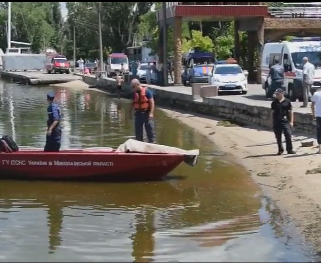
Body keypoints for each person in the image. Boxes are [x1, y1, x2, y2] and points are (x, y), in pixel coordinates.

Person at [130, 79, 156, 143]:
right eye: (132, 87)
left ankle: (152, 143)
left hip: (146, 113)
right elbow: (132, 104)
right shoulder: (134, 93)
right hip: (138, 113)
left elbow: (152, 103)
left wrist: (151, 113)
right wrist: (130, 113)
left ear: (137, 85)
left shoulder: (147, 92)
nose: (132, 88)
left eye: (133, 86)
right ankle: (139, 143)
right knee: (138, 131)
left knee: (150, 130)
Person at [271, 88, 295, 155]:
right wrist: (271, 121)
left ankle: (289, 149)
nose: (277, 95)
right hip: (276, 121)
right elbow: (272, 112)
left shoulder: (287, 102)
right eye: (276, 94)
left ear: (282, 94)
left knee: (288, 135)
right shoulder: (274, 102)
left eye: (278, 94)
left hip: (285, 121)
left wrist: (291, 121)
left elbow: (291, 112)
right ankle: (280, 150)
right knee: (278, 137)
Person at [311, 87, 321, 153]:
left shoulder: (316, 94)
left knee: (319, 132)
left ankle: (320, 149)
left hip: (319, 115)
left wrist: (313, 114)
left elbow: (312, 105)